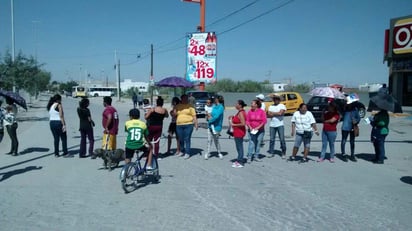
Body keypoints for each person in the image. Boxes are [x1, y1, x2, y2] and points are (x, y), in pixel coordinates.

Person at [174, 94, 198, 159]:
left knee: (187, 139)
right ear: (181, 99)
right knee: (181, 139)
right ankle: (182, 151)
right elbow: (174, 115)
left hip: (189, 124)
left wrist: (196, 124)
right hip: (179, 125)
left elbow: (194, 116)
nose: (185, 99)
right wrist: (174, 109)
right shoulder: (178, 106)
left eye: (186, 98)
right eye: (184, 98)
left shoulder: (191, 106)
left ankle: (187, 153)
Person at [266, 94, 287, 159]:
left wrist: (273, 113)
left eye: (277, 99)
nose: (275, 100)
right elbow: (268, 115)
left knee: (282, 139)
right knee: (272, 139)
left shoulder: (282, 106)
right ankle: (271, 152)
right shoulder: (270, 106)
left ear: (279, 100)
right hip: (272, 125)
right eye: (274, 99)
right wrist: (276, 113)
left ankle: (283, 152)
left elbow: (281, 113)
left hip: (280, 124)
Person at [206, 95, 224, 160]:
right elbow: (211, 114)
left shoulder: (221, 107)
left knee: (216, 140)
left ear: (217, 99)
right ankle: (207, 153)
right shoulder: (214, 106)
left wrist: (210, 120)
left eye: (215, 99)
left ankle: (219, 152)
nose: (213, 100)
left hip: (217, 127)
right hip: (210, 126)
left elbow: (216, 116)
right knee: (209, 140)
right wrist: (208, 116)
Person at [230, 100, 247, 168]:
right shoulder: (239, 112)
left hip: (239, 132)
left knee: (239, 147)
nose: (235, 105)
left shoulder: (241, 113)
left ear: (240, 105)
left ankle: (240, 161)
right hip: (237, 132)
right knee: (238, 146)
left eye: (236, 104)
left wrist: (234, 124)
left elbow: (243, 123)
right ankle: (239, 159)